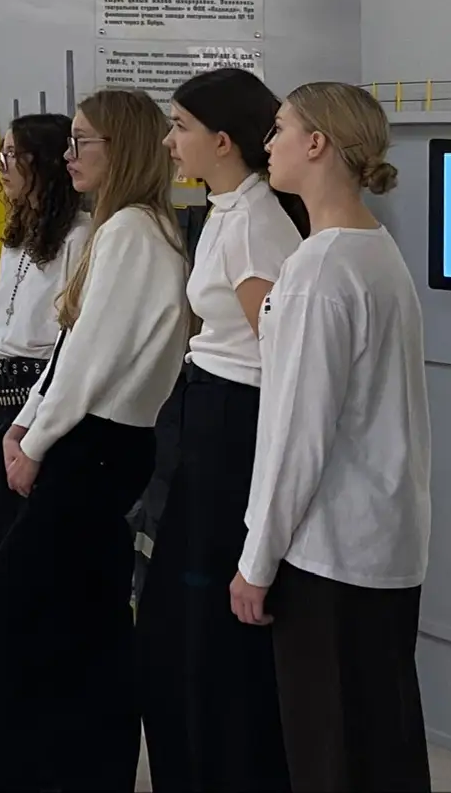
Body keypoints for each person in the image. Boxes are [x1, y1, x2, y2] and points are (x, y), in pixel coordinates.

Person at [0, 89, 189, 792]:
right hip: (95, 438)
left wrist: (35, 437)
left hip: (96, 442)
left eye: (81, 141)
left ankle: (9, 763)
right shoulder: (134, 227)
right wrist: (24, 421)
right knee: (88, 613)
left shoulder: (127, 232)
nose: (68, 155)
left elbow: (91, 356)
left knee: (6, 607)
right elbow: (74, 346)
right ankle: (77, 763)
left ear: (121, 148)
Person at [232, 83, 431, 793]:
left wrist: (256, 560)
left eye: (280, 128)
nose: (268, 144)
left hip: (330, 556)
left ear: (316, 143)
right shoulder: (375, 251)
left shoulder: (321, 269)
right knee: (383, 744)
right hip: (383, 545)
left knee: (331, 755)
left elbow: (297, 434)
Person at [137, 68, 305, 791]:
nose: (169, 142)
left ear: (224, 140)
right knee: (177, 615)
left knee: (204, 618)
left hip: (231, 428)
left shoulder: (257, 223)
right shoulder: (228, 210)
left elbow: (280, 355)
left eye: (180, 127)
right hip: (205, 414)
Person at [0, 114, 86, 778]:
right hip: (3, 411)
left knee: (21, 587)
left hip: (39, 423)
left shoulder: (80, 239)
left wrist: (28, 434)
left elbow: (66, 351)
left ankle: (18, 735)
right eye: (0, 154)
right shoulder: (17, 237)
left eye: (15, 156)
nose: (2, 168)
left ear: (47, 165)